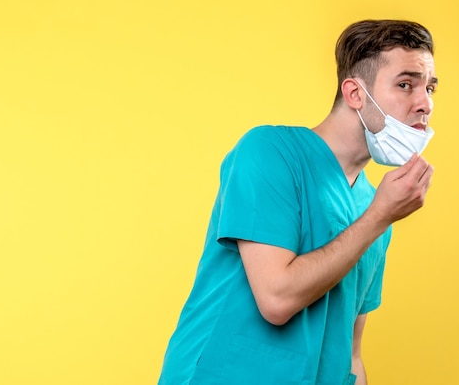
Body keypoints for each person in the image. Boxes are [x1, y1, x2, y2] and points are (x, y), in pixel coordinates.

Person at [158, 19, 438, 385]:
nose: (425, 104)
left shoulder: (374, 205)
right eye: (406, 85)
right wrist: (379, 217)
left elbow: (352, 354)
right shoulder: (269, 153)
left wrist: (379, 216)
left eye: (431, 88)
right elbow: (276, 299)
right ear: (355, 93)